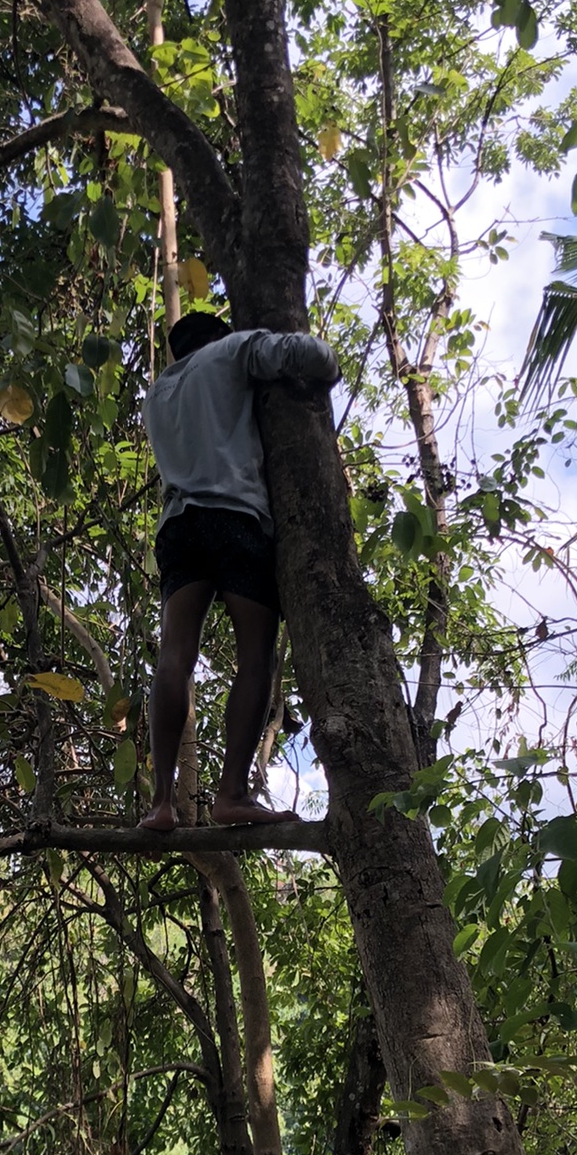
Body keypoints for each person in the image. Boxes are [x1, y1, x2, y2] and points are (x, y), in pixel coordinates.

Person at [137, 311, 341, 832]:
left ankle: (162, 802)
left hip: (178, 526)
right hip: (236, 519)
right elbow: (308, 356)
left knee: (175, 656)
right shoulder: (232, 351)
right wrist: (330, 368)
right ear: (217, 337)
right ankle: (230, 794)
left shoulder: (157, 395)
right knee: (256, 657)